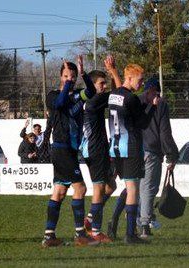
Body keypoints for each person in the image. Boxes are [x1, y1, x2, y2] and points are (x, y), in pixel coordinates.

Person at [42, 55, 99, 247]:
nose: (70, 79)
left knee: (59, 190)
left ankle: (49, 236)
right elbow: (58, 104)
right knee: (80, 187)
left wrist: (83, 74)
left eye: (73, 76)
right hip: (61, 147)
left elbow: (90, 91)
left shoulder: (76, 95)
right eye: (67, 75)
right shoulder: (52, 96)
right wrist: (67, 84)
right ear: (60, 77)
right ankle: (80, 234)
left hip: (68, 149)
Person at [107, 64, 160, 244]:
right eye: (140, 80)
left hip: (115, 148)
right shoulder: (131, 99)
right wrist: (152, 106)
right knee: (133, 190)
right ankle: (130, 234)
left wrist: (114, 71)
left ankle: (104, 222)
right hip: (130, 147)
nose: (142, 83)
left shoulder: (114, 94)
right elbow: (143, 123)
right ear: (129, 78)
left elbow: (127, 104)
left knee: (116, 187)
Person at [80, 56, 122, 242]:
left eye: (105, 83)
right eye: (101, 83)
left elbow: (115, 92)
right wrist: (113, 71)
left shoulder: (92, 99)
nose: (103, 87)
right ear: (93, 84)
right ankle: (95, 232)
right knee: (98, 189)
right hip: (95, 149)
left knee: (110, 186)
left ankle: (90, 219)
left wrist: (112, 74)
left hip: (98, 148)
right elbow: (120, 92)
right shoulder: (95, 100)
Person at [137, 78, 179, 238]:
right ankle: (145, 225)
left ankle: (128, 221)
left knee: (136, 189)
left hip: (135, 150)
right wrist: (171, 155)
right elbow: (164, 132)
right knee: (149, 189)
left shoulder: (136, 100)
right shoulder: (161, 104)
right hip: (152, 151)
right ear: (156, 90)